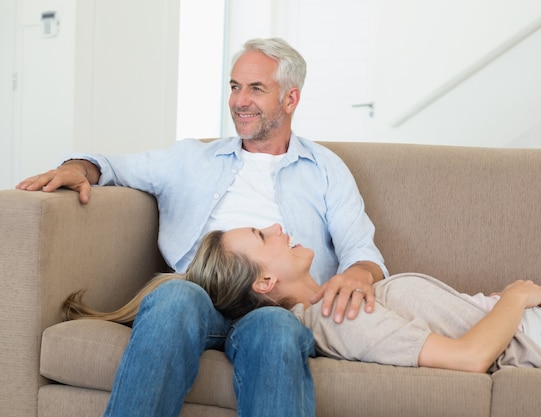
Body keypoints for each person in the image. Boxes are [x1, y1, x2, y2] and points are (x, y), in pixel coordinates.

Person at [16, 38, 387, 417]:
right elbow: (111, 166)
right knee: (177, 298)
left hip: (277, 306)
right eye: (234, 86)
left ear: (290, 100)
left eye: (256, 88)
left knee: (274, 330)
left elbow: (361, 249)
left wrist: (359, 273)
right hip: (201, 296)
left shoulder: (325, 169)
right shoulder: (191, 158)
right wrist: (77, 169)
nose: (239, 100)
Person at [66, 224, 541, 374]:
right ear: (264, 285)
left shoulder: (343, 293)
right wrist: (514, 298)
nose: (278, 227)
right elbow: (470, 360)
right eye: (264, 238)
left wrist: (514, 300)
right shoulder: (336, 320)